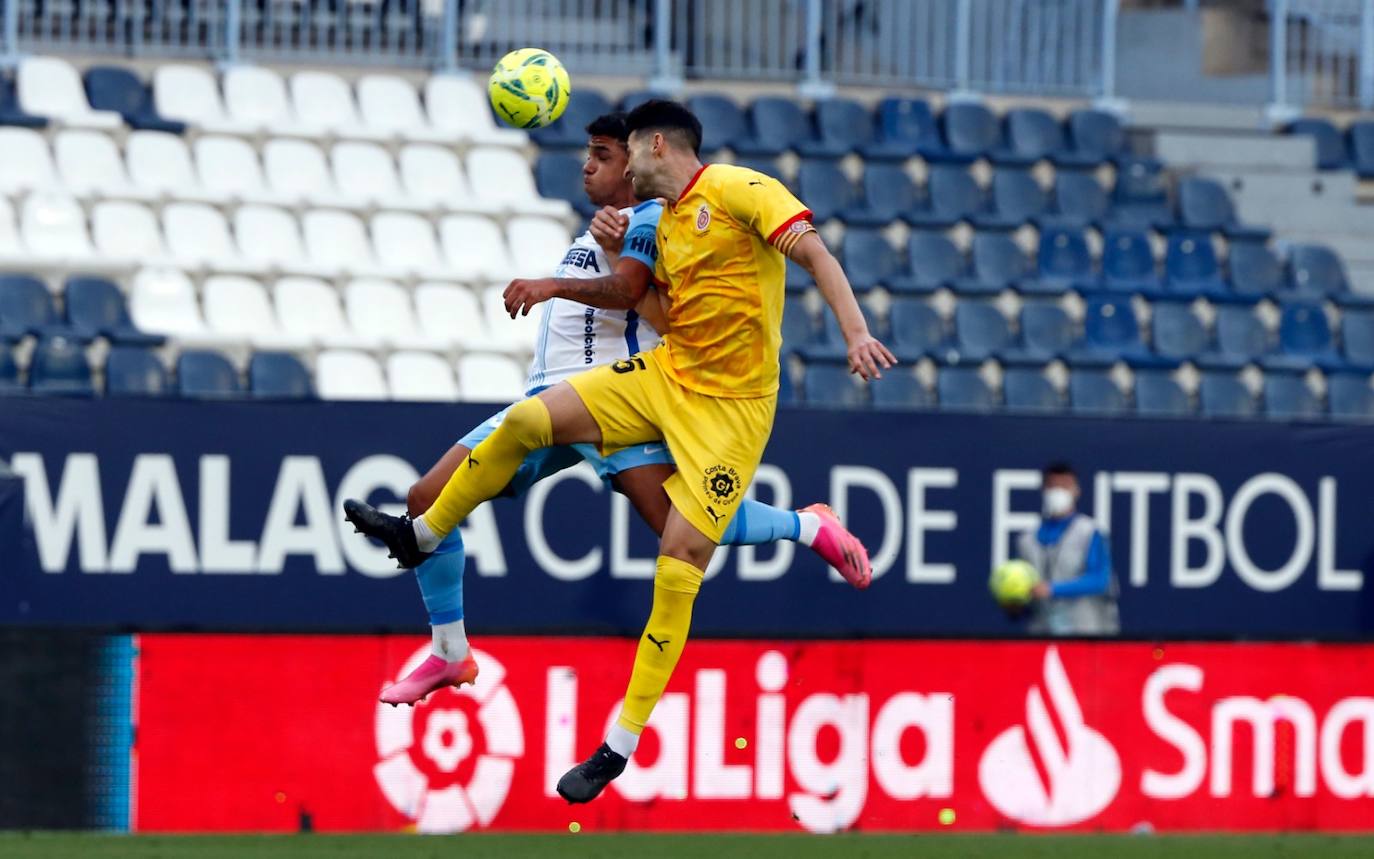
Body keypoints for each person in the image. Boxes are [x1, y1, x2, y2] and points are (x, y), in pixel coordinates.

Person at [345, 99, 895, 803]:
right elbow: (659, 312)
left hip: (730, 415)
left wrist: (854, 333)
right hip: (666, 379)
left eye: (621, 153)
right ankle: (420, 538)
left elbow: (813, 251)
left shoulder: (738, 189)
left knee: (681, 558)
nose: (617, 167)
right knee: (531, 419)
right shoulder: (659, 222)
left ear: (654, 144)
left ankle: (620, 742)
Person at [1018, 462, 1120, 636]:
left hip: (1088, 635)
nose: (1057, 491)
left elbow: (1100, 580)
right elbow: (1025, 595)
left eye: (1064, 485)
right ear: (1043, 490)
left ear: (1076, 491)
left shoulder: (1089, 532)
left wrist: (1052, 589)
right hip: (1042, 635)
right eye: (1052, 486)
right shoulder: (1026, 540)